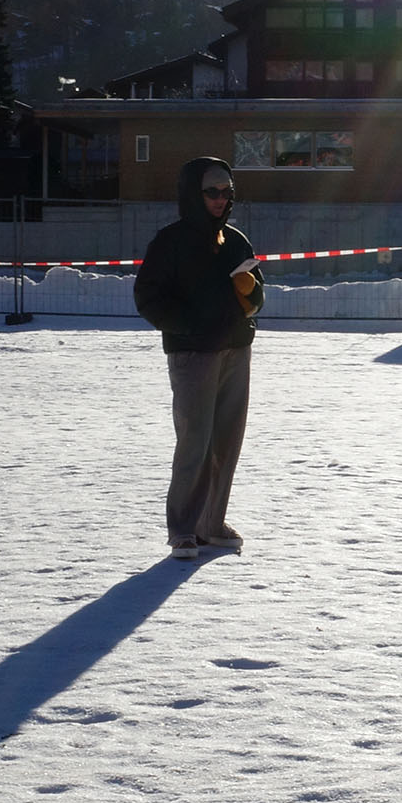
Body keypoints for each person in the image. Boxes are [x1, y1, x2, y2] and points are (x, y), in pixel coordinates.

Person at [134, 156, 263, 557]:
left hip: (236, 352)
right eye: (212, 191)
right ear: (193, 193)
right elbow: (148, 298)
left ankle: (211, 522)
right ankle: (184, 529)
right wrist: (188, 325)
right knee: (195, 441)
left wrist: (251, 294)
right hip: (193, 355)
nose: (221, 199)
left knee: (227, 440)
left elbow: (258, 295)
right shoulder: (169, 242)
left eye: (227, 192)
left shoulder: (237, 240)